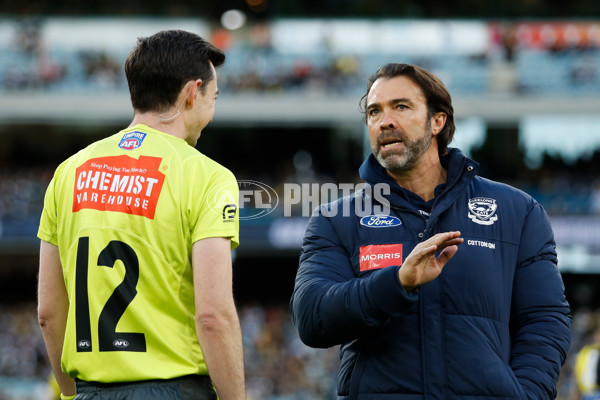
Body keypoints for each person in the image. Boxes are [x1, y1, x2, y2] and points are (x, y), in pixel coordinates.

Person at [289, 63, 572, 399]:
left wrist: (526, 394)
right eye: (374, 111)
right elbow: (311, 318)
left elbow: (545, 319)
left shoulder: (517, 211)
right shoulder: (337, 218)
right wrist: (396, 283)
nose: (385, 121)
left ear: (438, 121)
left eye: (401, 107)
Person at [37, 30, 246, 400]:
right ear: (192, 93)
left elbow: (49, 312)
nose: (212, 111)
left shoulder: (68, 172)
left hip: (90, 391)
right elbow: (213, 316)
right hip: (174, 391)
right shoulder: (209, 177)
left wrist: (72, 394)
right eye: (214, 98)